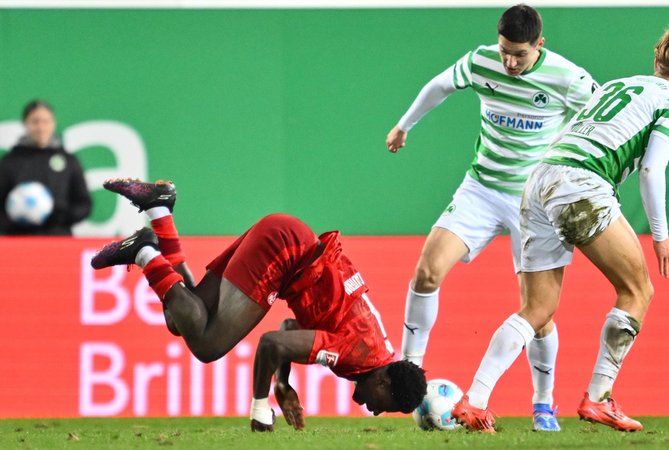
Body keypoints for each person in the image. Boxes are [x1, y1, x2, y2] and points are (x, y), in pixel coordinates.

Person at [451, 26, 669, 433]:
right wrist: (660, 235)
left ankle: (475, 400)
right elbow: (651, 168)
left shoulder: (618, 84)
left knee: (538, 310)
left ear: (656, 60)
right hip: (582, 184)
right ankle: (599, 398)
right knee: (637, 290)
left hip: (538, 178)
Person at [385, 4, 596, 431]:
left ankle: (542, 402)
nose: (509, 62)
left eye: (519, 54)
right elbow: (440, 86)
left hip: (535, 201)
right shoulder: (482, 60)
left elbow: (603, 116)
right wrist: (404, 125)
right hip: (481, 189)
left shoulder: (566, 77)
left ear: (540, 44)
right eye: (504, 51)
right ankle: (410, 371)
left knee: (539, 314)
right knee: (426, 272)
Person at [90, 178, 426, 431]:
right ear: (384, 383)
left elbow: (290, 329)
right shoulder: (357, 353)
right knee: (207, 345)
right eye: (386, 406)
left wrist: (283, 383)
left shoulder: (374, 353)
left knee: (180, 319)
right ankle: (143, 249)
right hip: (284, 251)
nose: (377, 411)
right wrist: (261, 404)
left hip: (287, 240)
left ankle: (159, 209)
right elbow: (271, 343)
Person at [0, 99, 91, 235]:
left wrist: (60, 217)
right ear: (25, 124)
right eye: (35, 121)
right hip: (19, 240)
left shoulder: (68, 160)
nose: (41, 127)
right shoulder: (10, 162)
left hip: (58, 238)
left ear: (53, 123)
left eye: (46, 121)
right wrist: (13, 220)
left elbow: (84, 204)